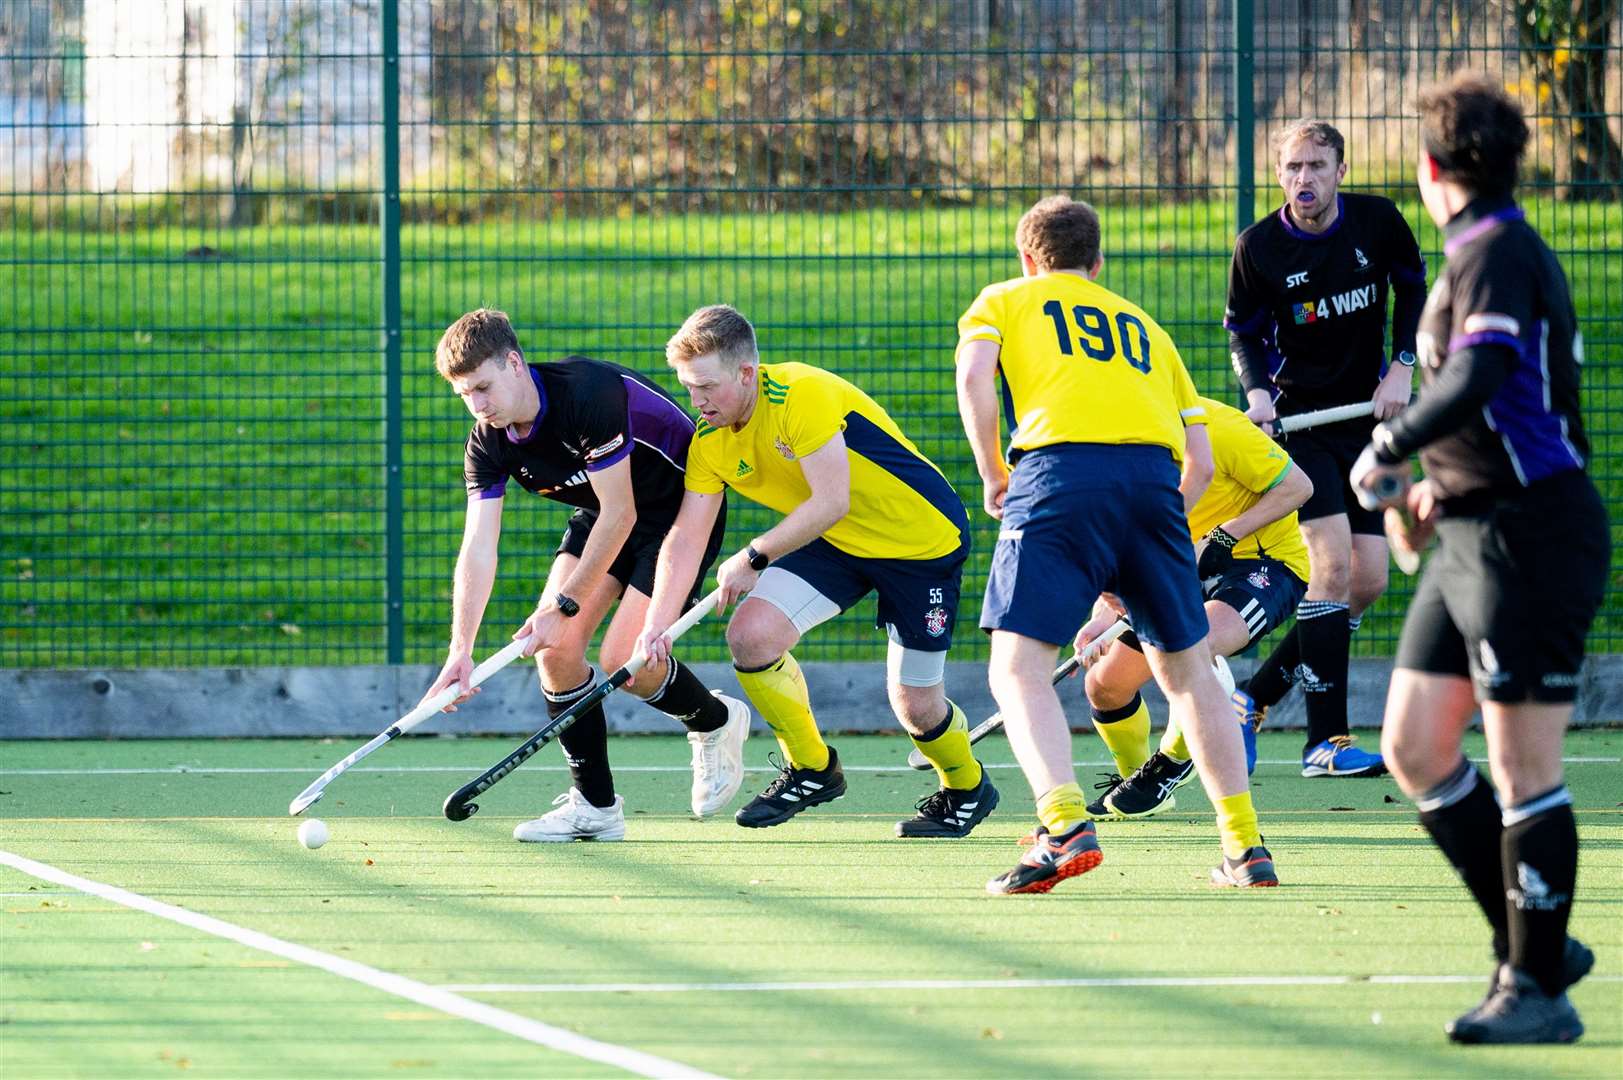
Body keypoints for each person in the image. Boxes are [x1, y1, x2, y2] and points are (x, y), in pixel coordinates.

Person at [1351, 74, 1606, 1045]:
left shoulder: (1498, 251)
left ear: (1428, 168)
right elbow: (1491, 400)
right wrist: (1431, 484)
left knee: (1521, 765)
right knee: (1414, 747)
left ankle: (1535, 986)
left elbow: (1485, 371)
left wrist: (1389, 447)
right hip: (1467, 526)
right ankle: (1535, 935)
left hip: (1530, 535)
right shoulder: (1471, 255)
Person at [957, 195, 1274, 894]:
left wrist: (991, 473)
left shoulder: (1005, 298)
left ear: (1027, 258)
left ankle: (1064, 825)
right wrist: (1155, 520)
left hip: (1058, 474)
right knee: (1188, 674)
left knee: (1016, 668)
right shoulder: (1146, 328)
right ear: (1096, 264)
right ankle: (1244, 846)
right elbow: (1198, 459)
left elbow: (975, 375)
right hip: (1155, 487)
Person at [636, 304, 998, 838]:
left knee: (916, 705)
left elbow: (831, 500)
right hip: (838, 541)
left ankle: (967, 787)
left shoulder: (800, 395)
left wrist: (754, 556)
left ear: (746, 373)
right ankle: (812, 769)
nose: (698, 401)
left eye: (707, 386)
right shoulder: (709, 441)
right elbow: (686, 537)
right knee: (751, 636)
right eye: (689, 387)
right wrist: (656, 624)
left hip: (920, 541)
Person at [419, 309, 752, 842]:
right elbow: (479, 546)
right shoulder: (488, 439)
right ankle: (596, 808)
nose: (478, 406)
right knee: (555, 652)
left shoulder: (587, 395)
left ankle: (713, 721)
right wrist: (461, 649)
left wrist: (563, 606)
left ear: (513, 362)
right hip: (605, 511)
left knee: (626, 658)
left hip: (678, 509)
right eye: (464, 395)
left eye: (483, 387)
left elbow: (624, 513)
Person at [1224, 119, 1428, 778]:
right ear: (1278, 174)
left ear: (1340, 169)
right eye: (1291, 168)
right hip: (1297, 426)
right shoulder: (1256, 247)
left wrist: (1401, 365)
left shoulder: (1377, 222)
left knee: (1363, 582)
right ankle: (1325, 743)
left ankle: (1250, 700)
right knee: (1332, 567)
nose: (1303, 180)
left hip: (1364, 419)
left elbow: (1413, 289)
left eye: (1315, 166)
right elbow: (1243, 336)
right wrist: (1257, 395)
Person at [1078, 395, 1313, 818]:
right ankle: (1142, 780)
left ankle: (1171, 763)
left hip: (1264, 563)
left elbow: (1299, 487)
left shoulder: (1220, 428)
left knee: (1192, 646)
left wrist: (1224, 536)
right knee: (1104, 686)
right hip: (1179, 571)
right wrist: (1101, 616)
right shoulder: (1114, 452)